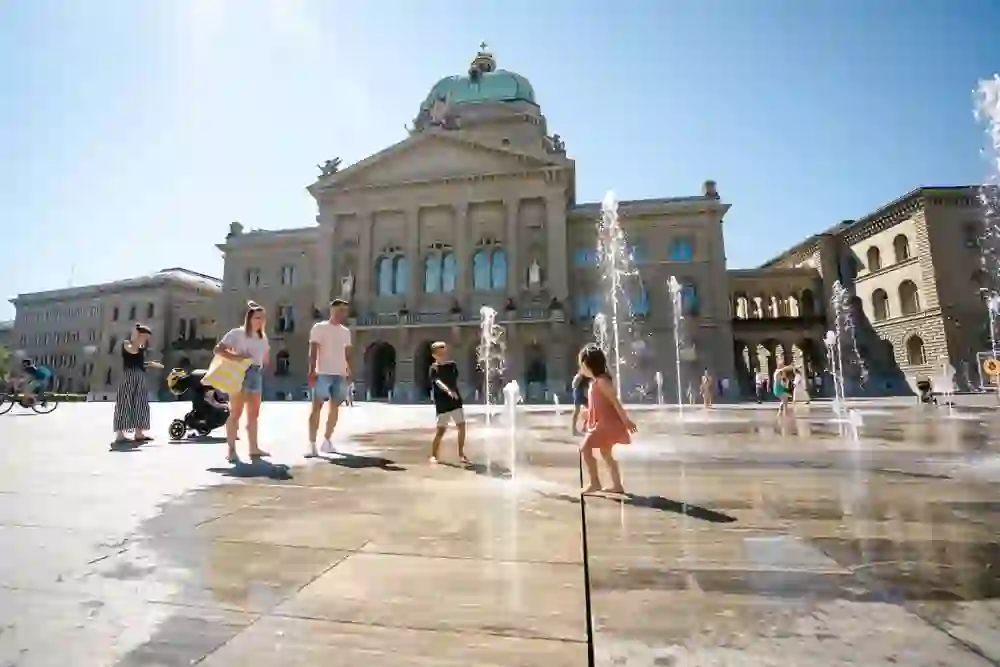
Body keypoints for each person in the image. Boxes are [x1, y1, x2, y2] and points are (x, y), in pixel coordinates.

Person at [578, 344, 637, 495]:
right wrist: (587, 413)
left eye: (582, 364)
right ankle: (617, 485)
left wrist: (626, 421)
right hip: (601, 423)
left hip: (605, 424)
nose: (581, 368)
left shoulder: (602, 381)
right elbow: (599, 404)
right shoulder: (596, 382)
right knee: (606, 453)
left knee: (585, 448)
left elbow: (614, 401)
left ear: (589, 364)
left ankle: (595, 482)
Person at [215, 302, 270, 463]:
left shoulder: (262, 337)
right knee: (236, 413)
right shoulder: (237, 333)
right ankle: (231, 450)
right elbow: (218, 349)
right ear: (249, 318)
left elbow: (264, 356)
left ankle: (254, 448)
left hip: (256, 374)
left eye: (262, 318)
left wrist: (262, 367)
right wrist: (237, 357)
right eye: (257, 317)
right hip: (240, 373)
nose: (260, 321)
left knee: (254, 415)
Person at [306, 299, 352, 457]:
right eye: (339, 310)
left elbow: (347, 354)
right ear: (331, 310)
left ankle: (327, 441)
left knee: (335, 408)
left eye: (344, 311)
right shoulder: (319, 328)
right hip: (322, 372)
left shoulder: (346, 331)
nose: (342, 314)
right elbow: (313, 351)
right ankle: (312, 444)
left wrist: (348, 371)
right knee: (316, 408)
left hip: (339, 374)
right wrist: (312, 371)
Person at [113, 323, 163, 443]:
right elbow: (132, 351)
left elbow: (138, 362)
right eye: (144, 337)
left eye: (146, 338)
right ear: (138, 335)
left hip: (139, 376)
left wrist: (150, 364)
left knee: (141, 403)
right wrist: (136, 338)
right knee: (125, 402)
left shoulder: (140, 348)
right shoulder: (127, 344)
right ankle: (120, 434)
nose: (146, 340)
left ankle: (139, 433)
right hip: (129, 376)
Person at [427, 341, 468, 464]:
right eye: (440, 352)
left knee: (461, 426)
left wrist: (452, 392)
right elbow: (438, 382)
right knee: (441, 431)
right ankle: (434, 455)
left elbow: (453, 378)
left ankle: (461, 453)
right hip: (442, 403)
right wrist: (448, 391)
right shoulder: (433, 368)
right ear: (434, 355)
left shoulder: (452, 365)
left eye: (444, 351)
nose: (443, 354)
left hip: (455, 401)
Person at [166, 367, 230, 433]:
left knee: (201, 403)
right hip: (217, 395)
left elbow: (208, 390)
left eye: (175, 388)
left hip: (219, 403)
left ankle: (203, 422)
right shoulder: (194, 378)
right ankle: (201, 422)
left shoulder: (193, 379)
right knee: (199, 403)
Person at [570, 370, 592, 436]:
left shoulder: (581, 373)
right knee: (592, 410)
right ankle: (584, 427)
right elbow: (585, 388)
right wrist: (588, 398)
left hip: (576, 392)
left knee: (576, 411)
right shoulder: (586, 374)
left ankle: (574, 430)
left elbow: (573, 385)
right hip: (580, 392)